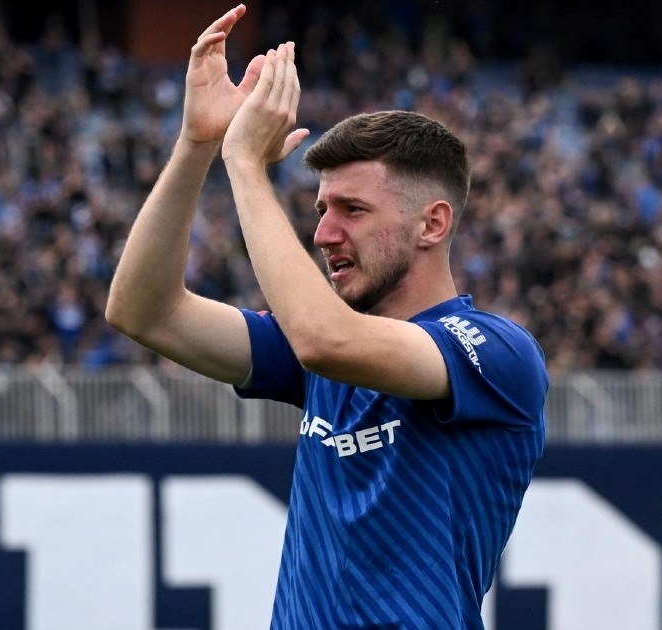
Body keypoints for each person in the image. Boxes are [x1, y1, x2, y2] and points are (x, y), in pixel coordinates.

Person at [105, 5, 548, 628]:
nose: (324, 233)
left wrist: (245, 164)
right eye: (321, 210)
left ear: (432, 224)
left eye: (353, 210)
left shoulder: (497, 353)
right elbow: (144, 311)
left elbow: (325, 340)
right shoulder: (319, 351)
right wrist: (198, 145)